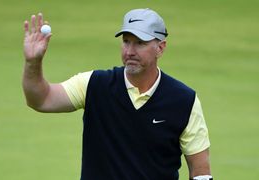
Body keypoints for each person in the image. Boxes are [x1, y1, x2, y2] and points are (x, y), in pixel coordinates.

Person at [22, 8, 212, 180]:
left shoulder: (184, 100)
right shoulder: (93, 84)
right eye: (126, 41)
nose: (130, 51)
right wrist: (33, 63)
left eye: (140, 43)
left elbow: (201, 172)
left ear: (160, 48)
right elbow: (41, 100)